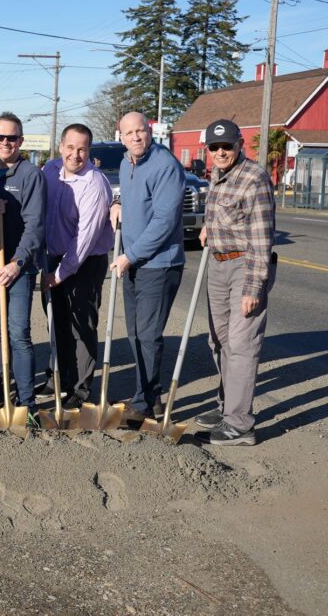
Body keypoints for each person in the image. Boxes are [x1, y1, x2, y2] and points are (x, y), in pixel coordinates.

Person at [195, 119, 276, 446]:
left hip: (246, 265)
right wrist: (208, 229)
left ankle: (240, 426)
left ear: (240, 144)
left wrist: (253, 288)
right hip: (218, 263)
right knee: (219, 341)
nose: (220, 152)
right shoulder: (217, 175)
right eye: (214, 148)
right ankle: (228, 406)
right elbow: (222, 214)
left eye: (226, 146)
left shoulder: (254, 178)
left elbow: (261, 239)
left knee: (242, 346)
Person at [109, 112, 185, 423]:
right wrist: (119, 205)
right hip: (134, 263)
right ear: (121, 137)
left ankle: (145, 402)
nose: (136, 137)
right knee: (134, 334)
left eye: (140, 131)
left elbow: (164, 222)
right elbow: (141, 202)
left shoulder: (165, 165)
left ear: (149, 131)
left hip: (158, 264)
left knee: (148, 334)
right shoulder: (128, 163)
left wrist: (130, 255)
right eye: (129, 133)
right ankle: (145, 394)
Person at [41, 124, 115, 407]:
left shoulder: (94, 184)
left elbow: (83, 241)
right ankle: (57, 376)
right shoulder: (49, 170)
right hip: (54, 257)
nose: (75, 154)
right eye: (70, 147)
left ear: (89, 151)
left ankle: (81, 389)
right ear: (61, 147)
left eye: (82, 148)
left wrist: (58, 275)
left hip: (84, 262)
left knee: (80, 325)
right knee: (55, 319)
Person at [0, 112, 45, 417]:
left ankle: (27, 402)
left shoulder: (31, 174)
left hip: (19, 268)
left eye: (12, 138)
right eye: (0, 137)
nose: (6, 143)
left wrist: (17, 263)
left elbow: (36, 226)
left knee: (18, 333)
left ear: (21, 141)